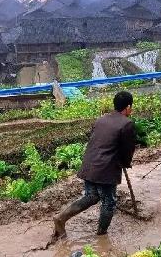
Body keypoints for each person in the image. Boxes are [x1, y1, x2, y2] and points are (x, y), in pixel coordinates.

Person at [52, 91, 136, 239]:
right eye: (131, 107)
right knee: (109, 202)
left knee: (91, 196)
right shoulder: (127, 124)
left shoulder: (101, 119)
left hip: (89, 164)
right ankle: (102, 236)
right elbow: (127, 150)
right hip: (105, 169)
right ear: (128, 107)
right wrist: (126, 163)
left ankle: (61, 218)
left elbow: (99, 141)